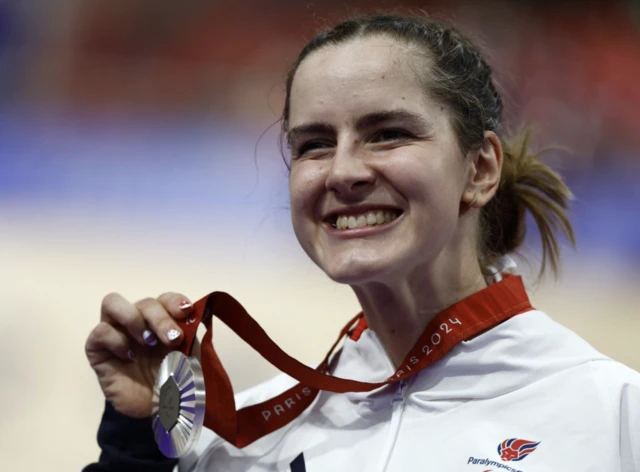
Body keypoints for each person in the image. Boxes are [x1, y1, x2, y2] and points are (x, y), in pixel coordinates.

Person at [84, 13, 640, 472]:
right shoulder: (243, 440)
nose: (343, 172)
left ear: (480, 169)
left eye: (388, 134)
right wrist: (135, 445)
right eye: (315, 144)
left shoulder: (613, 417)